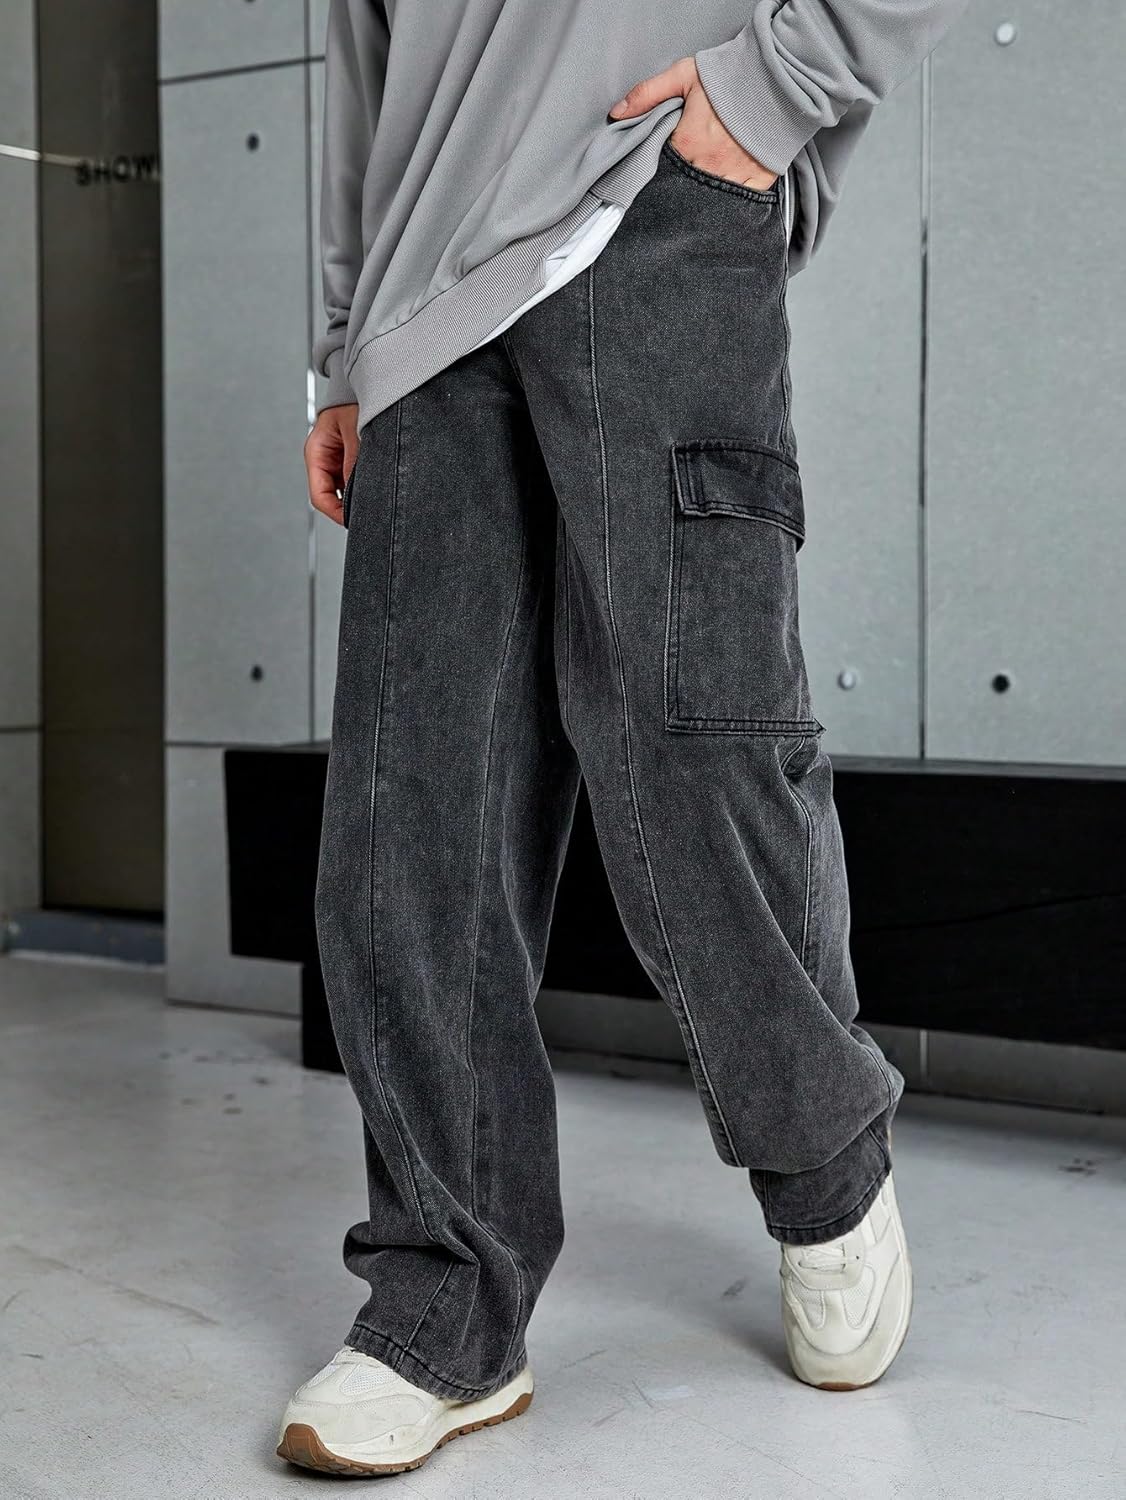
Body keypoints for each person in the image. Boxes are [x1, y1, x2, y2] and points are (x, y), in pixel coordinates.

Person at [282, 0, 968, 1476]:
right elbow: (357, 57)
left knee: (695, 746)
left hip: (653, 203)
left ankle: (824, 1166)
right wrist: (341, 349)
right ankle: (443, 1301)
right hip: (422, 302)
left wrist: (776, 85)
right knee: (410, 814)